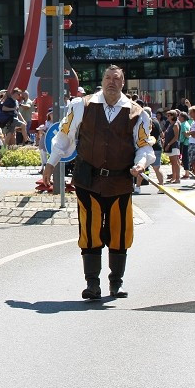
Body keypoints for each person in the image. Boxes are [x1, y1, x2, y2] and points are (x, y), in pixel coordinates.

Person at [42, 65, 155, 300]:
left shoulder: (137, 113)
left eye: (116, 79)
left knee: (119, 232)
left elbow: (144, 146)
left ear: (123, 83)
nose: (111, 82)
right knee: (90, 232)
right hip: (88, 180)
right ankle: (92, 283)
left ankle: (116, 282)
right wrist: (51, 163)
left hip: (120, 181)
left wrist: (141, 164)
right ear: (102, 81)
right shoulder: (81, 106)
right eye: (107, 78)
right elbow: (64, 135)